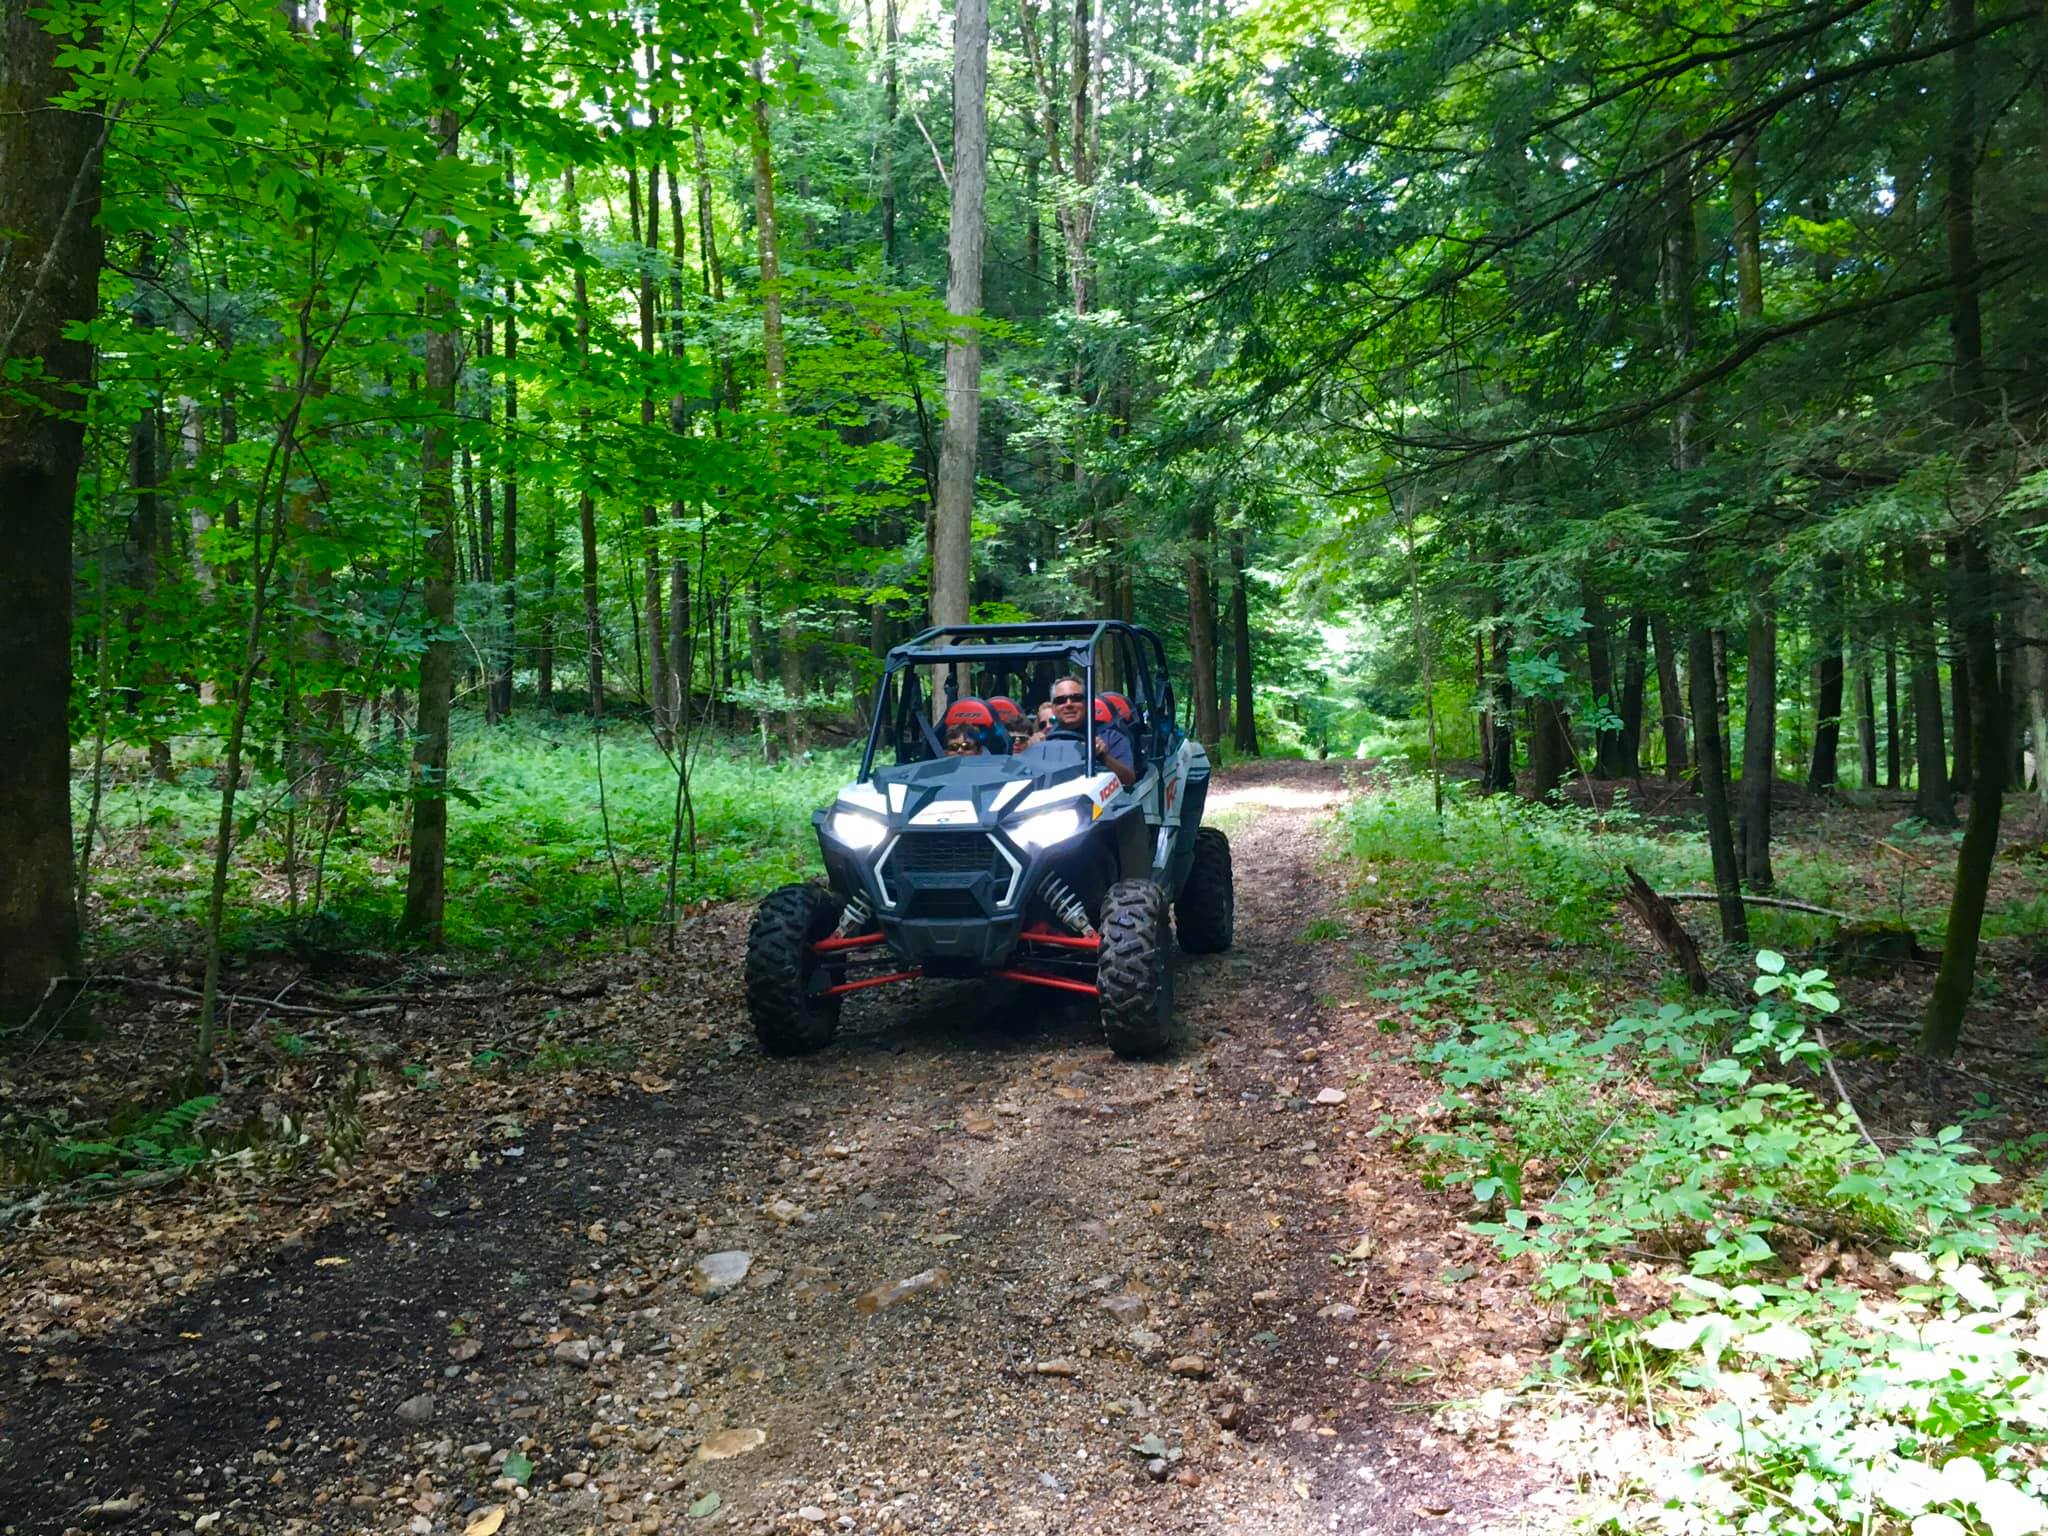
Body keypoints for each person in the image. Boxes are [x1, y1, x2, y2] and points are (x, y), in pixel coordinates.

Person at [1045, 676, 1135, 788]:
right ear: (1053, 708)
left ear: (1087, 703)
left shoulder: (1111, 736)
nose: (1068, 704)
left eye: (1076, 698)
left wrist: (1103, 757)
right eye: (1060, 700)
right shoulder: (1046, 742)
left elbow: (1129, 780)